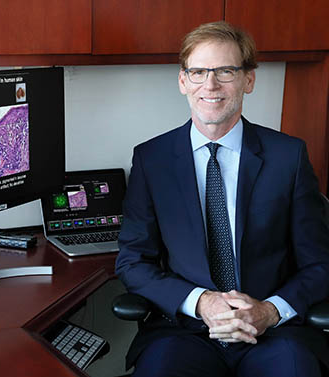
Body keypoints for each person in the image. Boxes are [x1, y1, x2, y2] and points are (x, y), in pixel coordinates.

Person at [115, 21, 329, 377]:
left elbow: (320, 264)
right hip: (184, 331)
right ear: (183, 81)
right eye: (198, 72)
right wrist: (202, 302)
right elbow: (133, 262)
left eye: (225, 71)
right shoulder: (152, 159)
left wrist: (270, 311)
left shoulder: (287, 157)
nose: (210, 86)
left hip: (275, 334)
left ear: (248, 80)